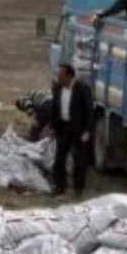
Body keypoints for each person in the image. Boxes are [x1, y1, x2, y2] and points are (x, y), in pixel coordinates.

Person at [52, 62, 95, 197]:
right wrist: (53, 126)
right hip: (63, 128)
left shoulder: (82, 88)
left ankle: (78, 190)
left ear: (70, 76)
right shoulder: (58, 88)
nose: (58, 78)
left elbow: (89, 111)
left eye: (61, 76)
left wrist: (87, 131)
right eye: (58, 75)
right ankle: (60, 188)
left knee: (79, 161)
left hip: (78, 130)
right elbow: (55, 107)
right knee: (59, 159)